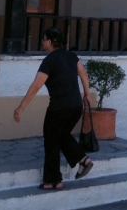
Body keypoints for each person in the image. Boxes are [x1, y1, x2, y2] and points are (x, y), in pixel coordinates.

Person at [14, 28, 94, 190]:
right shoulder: (71, 56)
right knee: (62, 136)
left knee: (51, 142)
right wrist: (87, 94)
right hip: (75, 106)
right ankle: (82, 161)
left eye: (44, 39)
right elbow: (84, 74)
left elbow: (37, 85)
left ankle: (53, 181)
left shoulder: (49, 61)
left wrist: (21, 107)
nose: (43, 42)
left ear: (49, 42)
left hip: (59, 108)